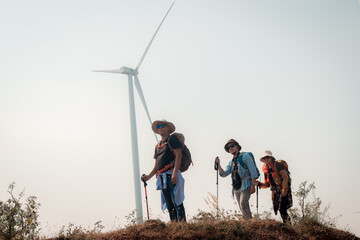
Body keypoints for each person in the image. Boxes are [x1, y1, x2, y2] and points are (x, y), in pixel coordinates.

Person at [141, 119, 186, 221]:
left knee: (177, 201)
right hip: (162, 178)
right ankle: (174, 225)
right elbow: (157, 166)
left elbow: (179, 155)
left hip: (171, 174)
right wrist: (148, 177)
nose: (160, 128)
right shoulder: (158, 146)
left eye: (162, 125)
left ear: (168, 128)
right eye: (158, 126)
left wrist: (175, 173)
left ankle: (182, 226)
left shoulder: (172, 140)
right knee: (169, 204)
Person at [215, 139, 259, 219]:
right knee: (241, 207)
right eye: (228, 148)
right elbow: (224, 174)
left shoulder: (245, 156)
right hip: (236, 186)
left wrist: (253, 184)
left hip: (246, 183)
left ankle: (250, 223)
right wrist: (218, 165)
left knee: (243, 203)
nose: (230, 148)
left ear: (237, 146)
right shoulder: (231, 162)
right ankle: (247, 223)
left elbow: (253, 171)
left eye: (232, 146)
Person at [255, 150, 292, 223]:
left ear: (271, 158)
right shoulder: (266, 170)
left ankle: (288, 225)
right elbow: (267, 184)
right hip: (275, 191)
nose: (266, 159)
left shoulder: (278, 165)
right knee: (281, 209)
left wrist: (285, 189)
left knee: (282, 208)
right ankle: (287, 225)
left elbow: (285, 177)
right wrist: (259, 184)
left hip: (282, 189)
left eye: (267, 157)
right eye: (264, 158)